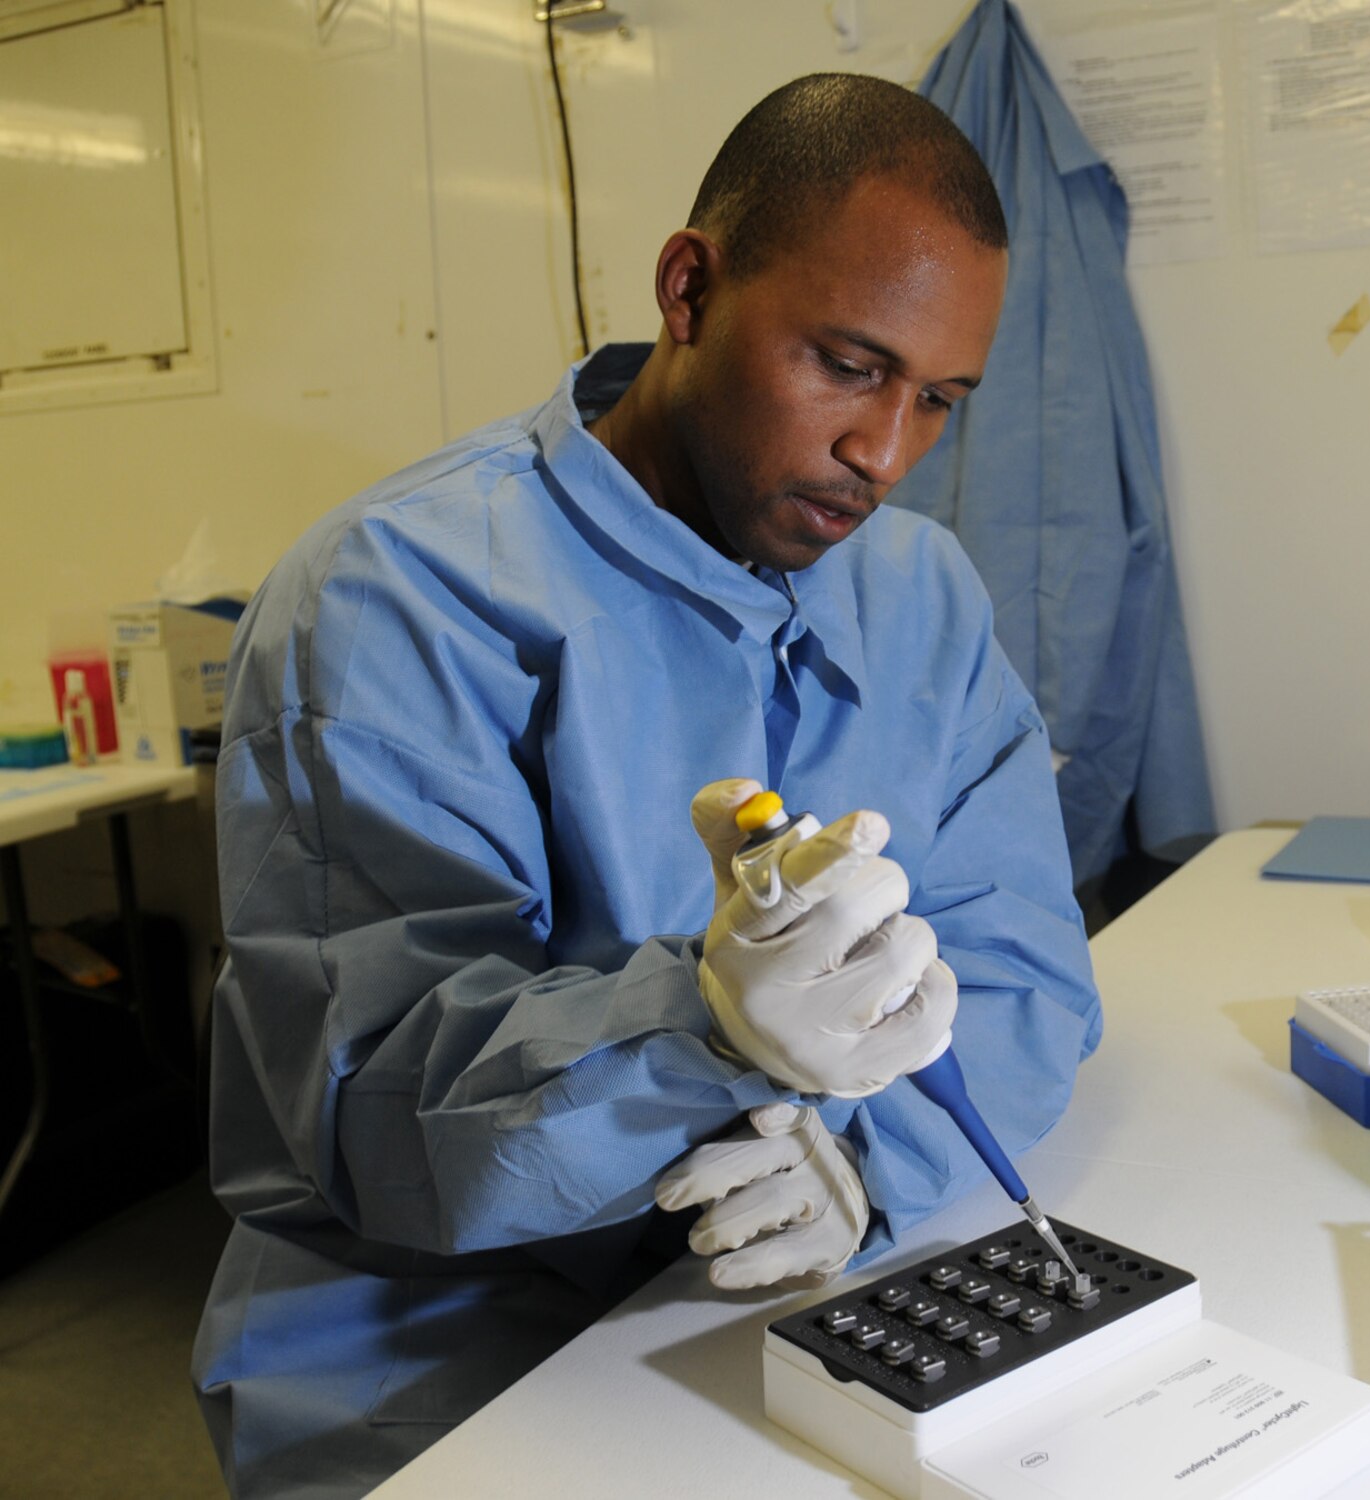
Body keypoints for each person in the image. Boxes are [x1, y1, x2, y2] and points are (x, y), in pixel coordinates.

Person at [192, 73, 1100, 1500]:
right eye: (848, 366)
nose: (886, 455)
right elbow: (378, 1106)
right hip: (435, 1353)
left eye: (939, 399)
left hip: (776, 1307)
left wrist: (865, 1163)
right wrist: (709, 1026)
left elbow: (1021, 972)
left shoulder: (920, 590)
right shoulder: (395, 599)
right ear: (689, 289)